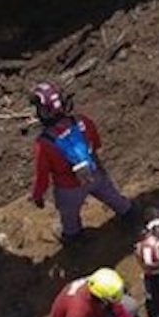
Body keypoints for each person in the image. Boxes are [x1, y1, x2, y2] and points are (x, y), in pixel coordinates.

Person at [27, 81, 136, 241]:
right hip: (94, 173)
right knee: (114, 198)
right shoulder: (83, 122)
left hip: (68, 188)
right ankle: (131, 216)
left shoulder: (43, 144)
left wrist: (37, 196)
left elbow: (42, 177)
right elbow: (96, 145)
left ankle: (74, 238)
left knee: (69, 217)